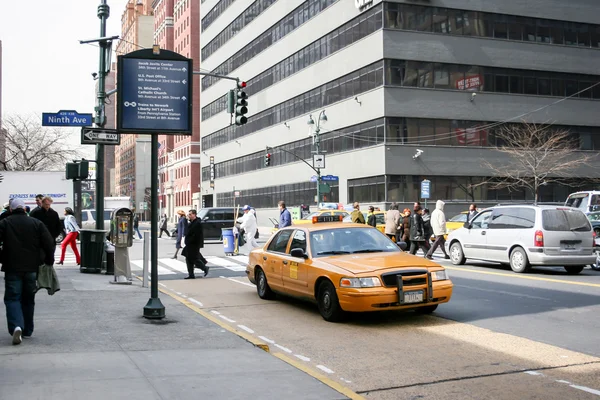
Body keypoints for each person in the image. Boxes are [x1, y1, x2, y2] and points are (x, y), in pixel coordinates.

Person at [0, 198, 55, 345]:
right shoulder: (36, 223)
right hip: (32, 267)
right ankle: (27, 330)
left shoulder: (5, 223)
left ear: (10, 210)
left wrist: (2, 257)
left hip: (12, 267)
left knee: (12, 298)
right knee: (28, 299)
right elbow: (49, 243)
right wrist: (48, 260)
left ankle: (16, 326)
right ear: (25, 209)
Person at [183, 209, 208, 279]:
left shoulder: (197, 223)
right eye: (189, 214)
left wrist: (192, 241)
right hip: (189, 244)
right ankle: (191, 274)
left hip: (194, 244)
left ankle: (204, 268)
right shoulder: (191, 222)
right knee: (188, 258)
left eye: (190, 214)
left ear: (194, 215)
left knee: (193, 258)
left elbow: (197, 235)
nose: (189, 216)